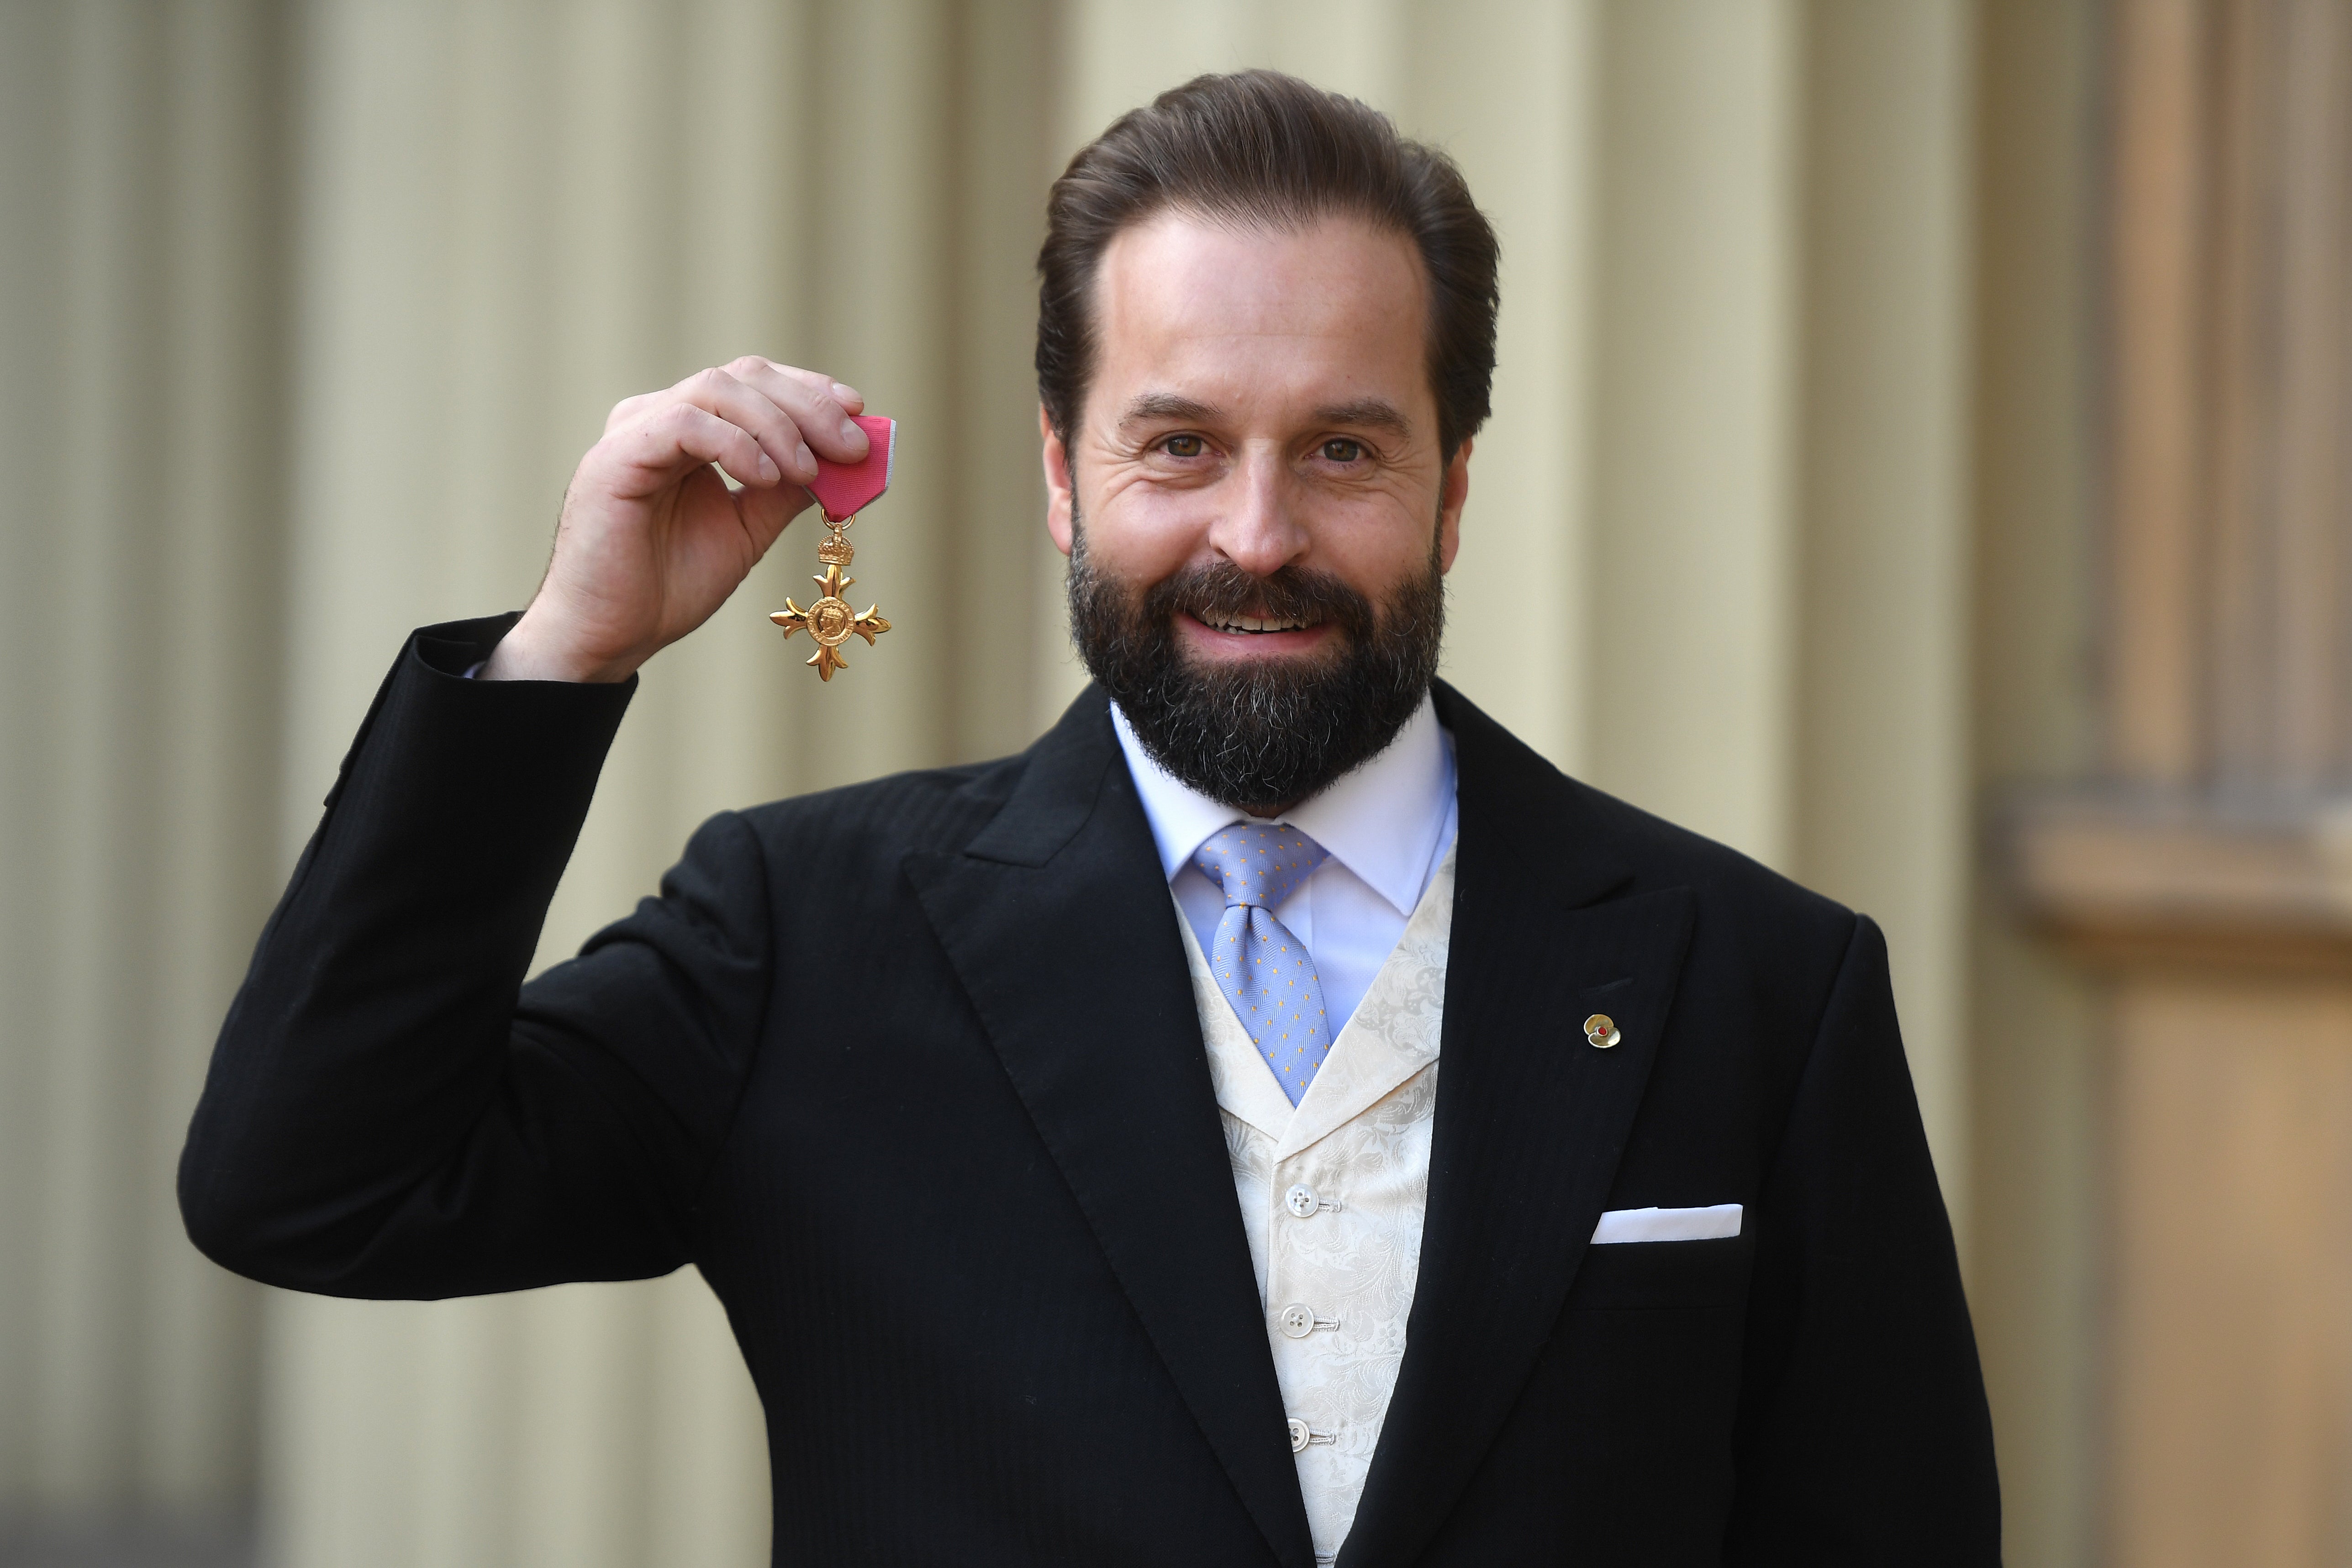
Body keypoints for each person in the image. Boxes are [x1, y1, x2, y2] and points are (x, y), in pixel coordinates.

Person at [180, 70, 1998, 1566]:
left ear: (1452, 490)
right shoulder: (804, 935)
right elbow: (312, 1183)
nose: (1259, 533)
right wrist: (564, 649)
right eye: (1180, 444)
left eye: (1343, 449)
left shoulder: (1759, 983)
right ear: (1064, 472)